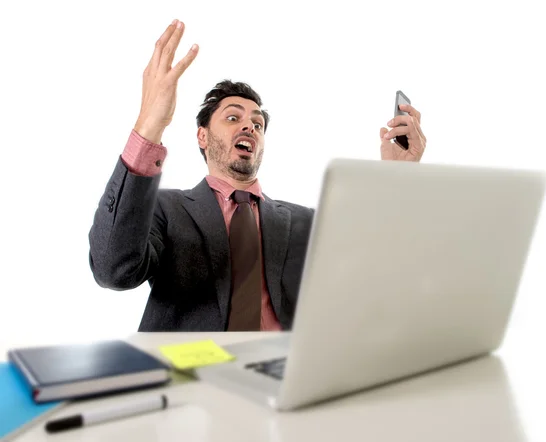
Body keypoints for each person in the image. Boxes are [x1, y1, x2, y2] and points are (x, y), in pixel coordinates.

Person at [88, 19, 427, 332]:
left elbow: (373, 277)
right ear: (202, 137)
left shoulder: (305, 221)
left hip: (282, 380)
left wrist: (397, 180)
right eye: (232, 118)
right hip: (193, 379)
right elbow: (112, 269)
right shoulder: (165, 208)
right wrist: (150, 125)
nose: (250, 125)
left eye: (257, 123)